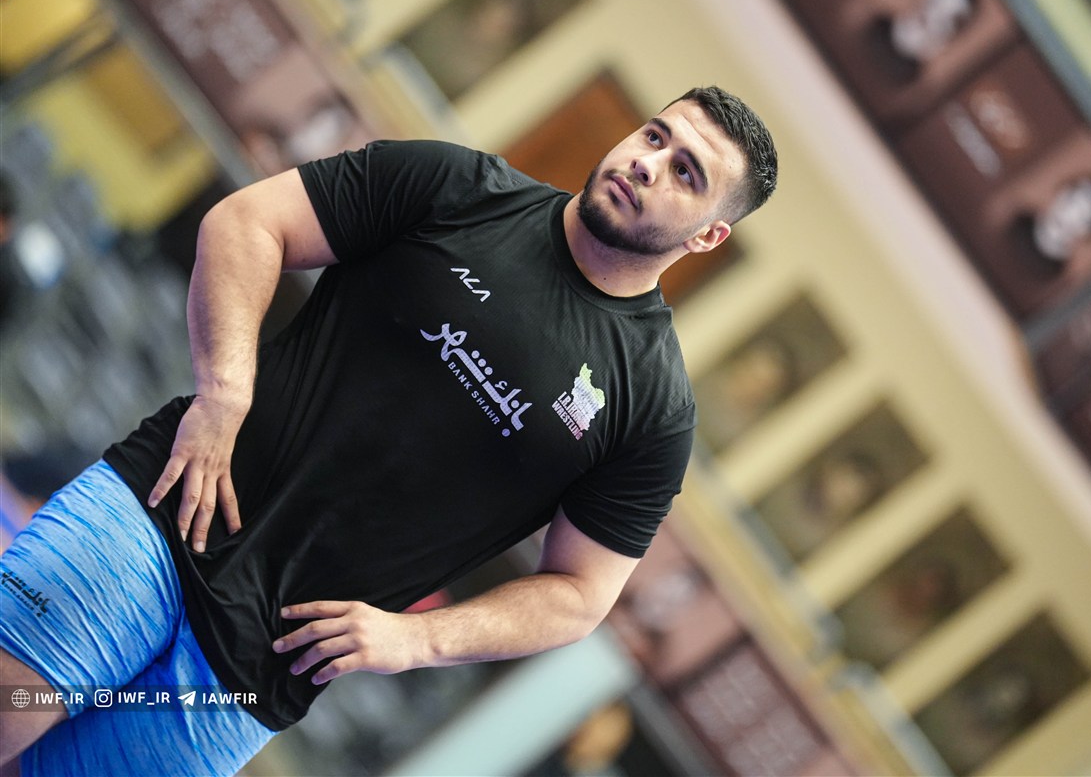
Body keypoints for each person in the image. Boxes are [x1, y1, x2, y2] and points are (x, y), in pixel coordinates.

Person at [0, 86, 778, 775]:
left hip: (254, 671)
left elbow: (579, 595)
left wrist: (419, 641)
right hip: (159, 512)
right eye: (655, 136)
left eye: (686, 172)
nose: (648, 163)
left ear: (709, 235)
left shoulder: (653, 411)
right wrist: (224, 395)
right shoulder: (454, 186)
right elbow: (248, 223)